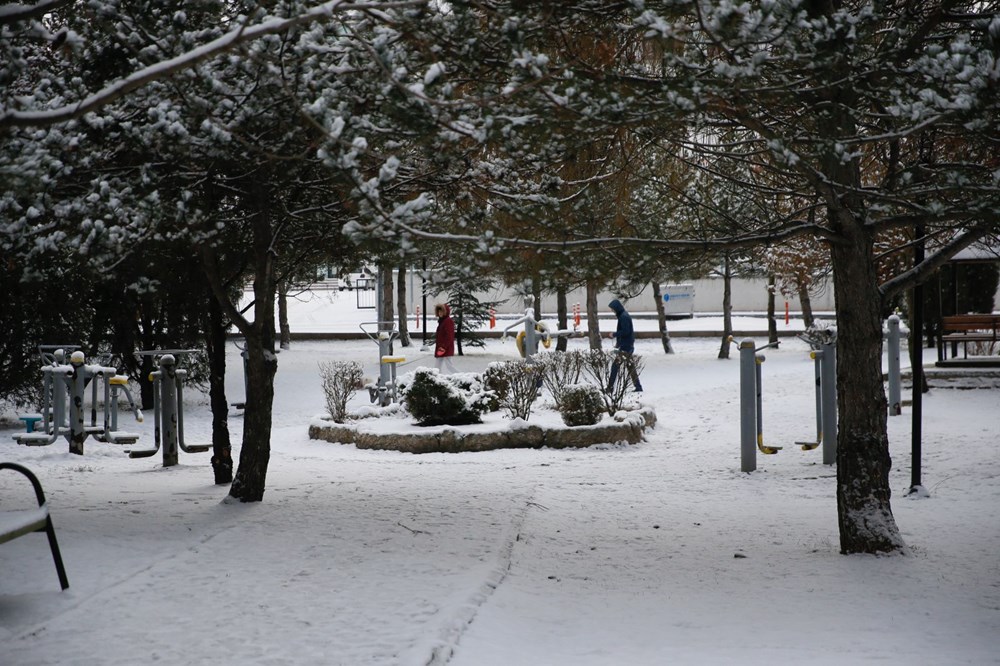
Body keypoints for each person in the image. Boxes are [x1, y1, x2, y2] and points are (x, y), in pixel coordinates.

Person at [608, 299, 643, 392]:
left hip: (625, 346)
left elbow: (625, 331)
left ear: (616, 308)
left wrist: (614, 334)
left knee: (615, 367)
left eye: (613, 309)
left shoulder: (623, 317)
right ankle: (638, 386)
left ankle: (610, 387)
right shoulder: (624, 315)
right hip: (627, 344)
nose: (612, 311)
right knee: (630, 367)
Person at [434, 303, 458, 374]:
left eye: (441, 311)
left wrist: (443, 347)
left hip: (445, 348)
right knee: (437, 367)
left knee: (449, 366)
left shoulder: (447, 321)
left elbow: (450, 336)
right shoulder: (442, 321)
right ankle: (438, 379)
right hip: (441, 348)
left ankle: (461, 377)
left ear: (445, 312)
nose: (440, 313)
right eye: (439, 311)